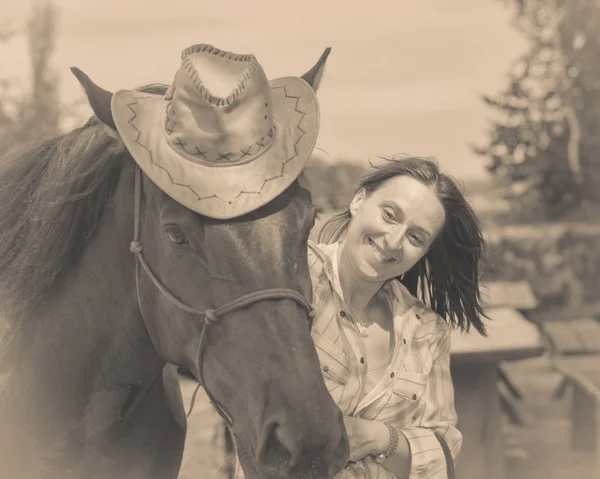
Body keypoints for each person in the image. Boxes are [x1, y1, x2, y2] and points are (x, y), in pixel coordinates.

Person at [307, 156, 488, 478]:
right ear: (359, 200)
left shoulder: (428, 330)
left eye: (416, 237)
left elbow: (443, 451)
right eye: (390, 216)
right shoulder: (293, 280)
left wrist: (379, 438)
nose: (393, 241)